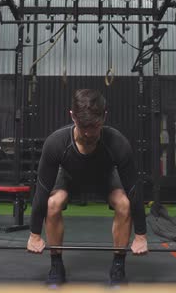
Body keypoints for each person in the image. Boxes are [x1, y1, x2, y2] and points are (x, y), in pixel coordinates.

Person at [26, 89, 148, 285]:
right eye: (84, 126)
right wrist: (34, 234)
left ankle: (118, 265)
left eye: (95, 125)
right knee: (52, 204)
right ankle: (56, 264)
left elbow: (134, 189)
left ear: (104, 116)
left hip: (105, 178)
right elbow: (41, 189)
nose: (89, 133)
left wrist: (141, 235)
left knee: (124, 204)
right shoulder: (56, 143)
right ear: (72, 116)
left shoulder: (117, 143)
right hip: (69, 178)